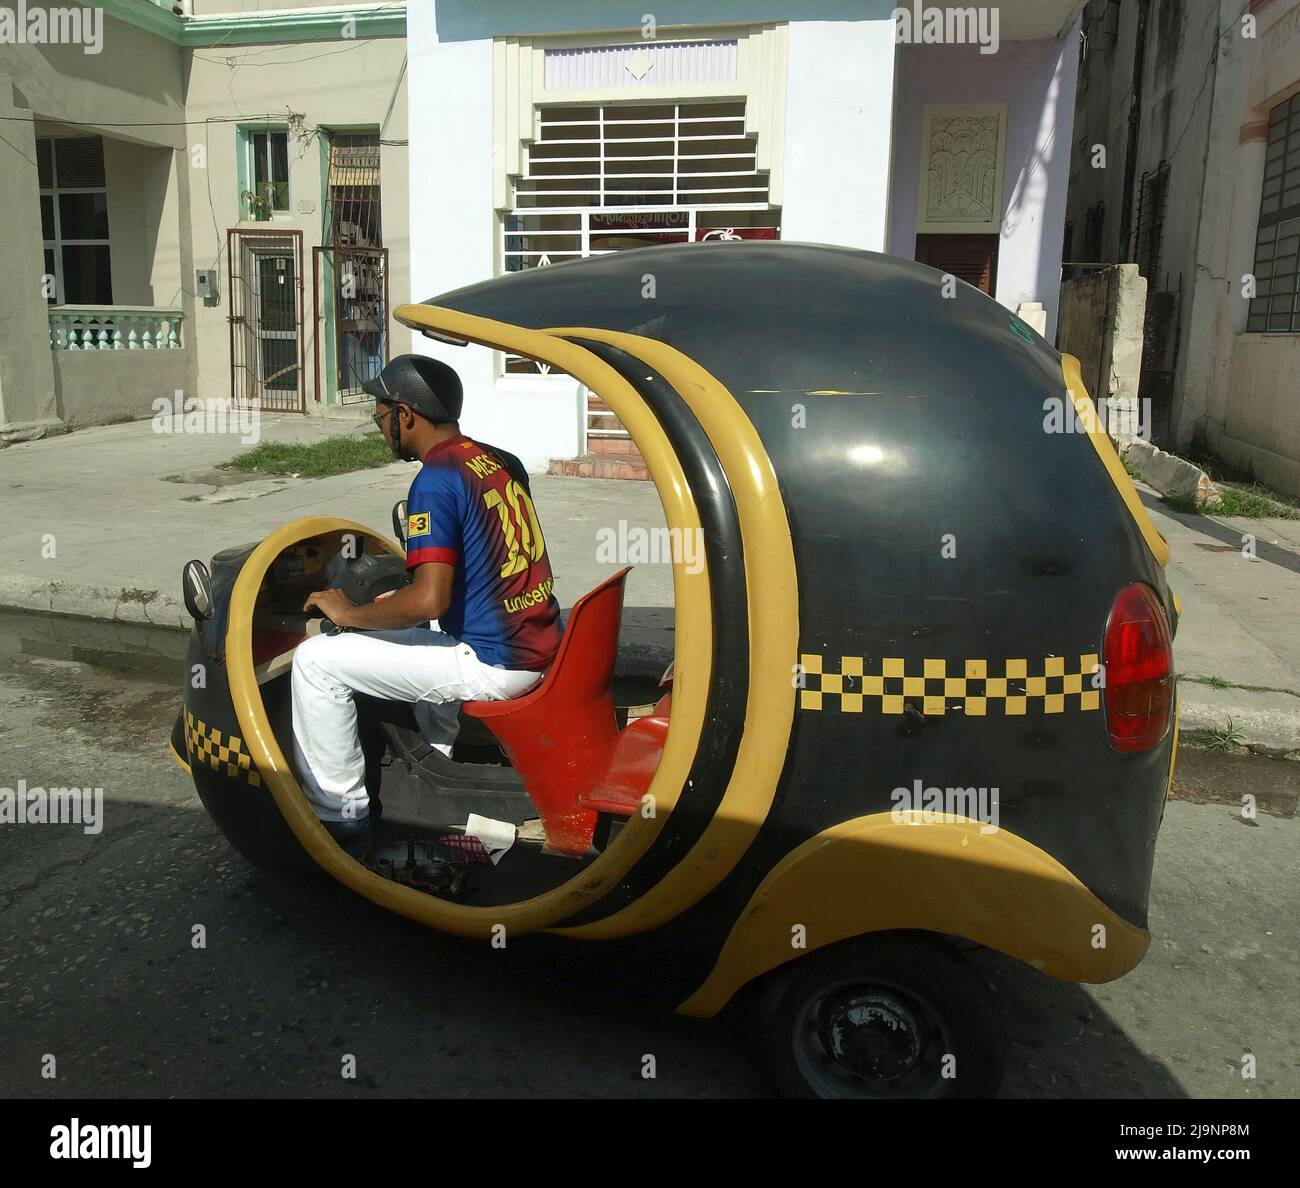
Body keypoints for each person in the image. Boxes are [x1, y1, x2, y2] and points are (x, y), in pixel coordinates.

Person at [290, 354, 563, 856]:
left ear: (405, 414)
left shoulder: (434, 480)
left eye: (379, 414)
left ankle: (340, 821)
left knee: (315, 663)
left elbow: (429, 598)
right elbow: (481, 565)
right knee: (412, 627)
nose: (378, 425)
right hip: (540, 640)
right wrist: (397, 605)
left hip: (496, 663)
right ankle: (434, 770)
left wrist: (348, 615)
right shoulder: (497, 459)